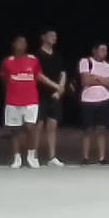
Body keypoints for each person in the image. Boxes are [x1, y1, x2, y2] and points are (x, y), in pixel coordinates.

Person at [0, 35, 41, 168]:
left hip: (31, 99)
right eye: (19, 42)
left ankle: (31, 155)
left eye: (24, 42)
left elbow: (37, 76)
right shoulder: (7, 61)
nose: (22, 45)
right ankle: (17, 157)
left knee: (30, 127)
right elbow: (4, 79)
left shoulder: (33, 60)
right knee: (15, 130)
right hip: (13, 100)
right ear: (13, 45)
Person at [34, 28, 68, 166]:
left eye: (55, 35)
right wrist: (56, 86)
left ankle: (52, 156)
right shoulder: (37, 55)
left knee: (53, 125)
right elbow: (39, 75)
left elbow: (63, 73)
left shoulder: (57, 55)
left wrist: (60, 90)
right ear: (43, 37)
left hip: (55, 95)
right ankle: (33, 155)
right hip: (40, 93)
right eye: (51, 35)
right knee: (38, 125)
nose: (54, 37)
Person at [77, 42, 109, 165]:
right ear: (94, 51)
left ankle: (102, 157)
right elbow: (85, 80)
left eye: (106, 50)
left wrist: (96, 77)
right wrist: (103, 80)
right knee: (87, 129)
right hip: (88, 100)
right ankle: (85, 157)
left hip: (104, 99)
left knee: (101, 129)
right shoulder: (86, 62)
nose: (104, 52)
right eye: (102, 50)